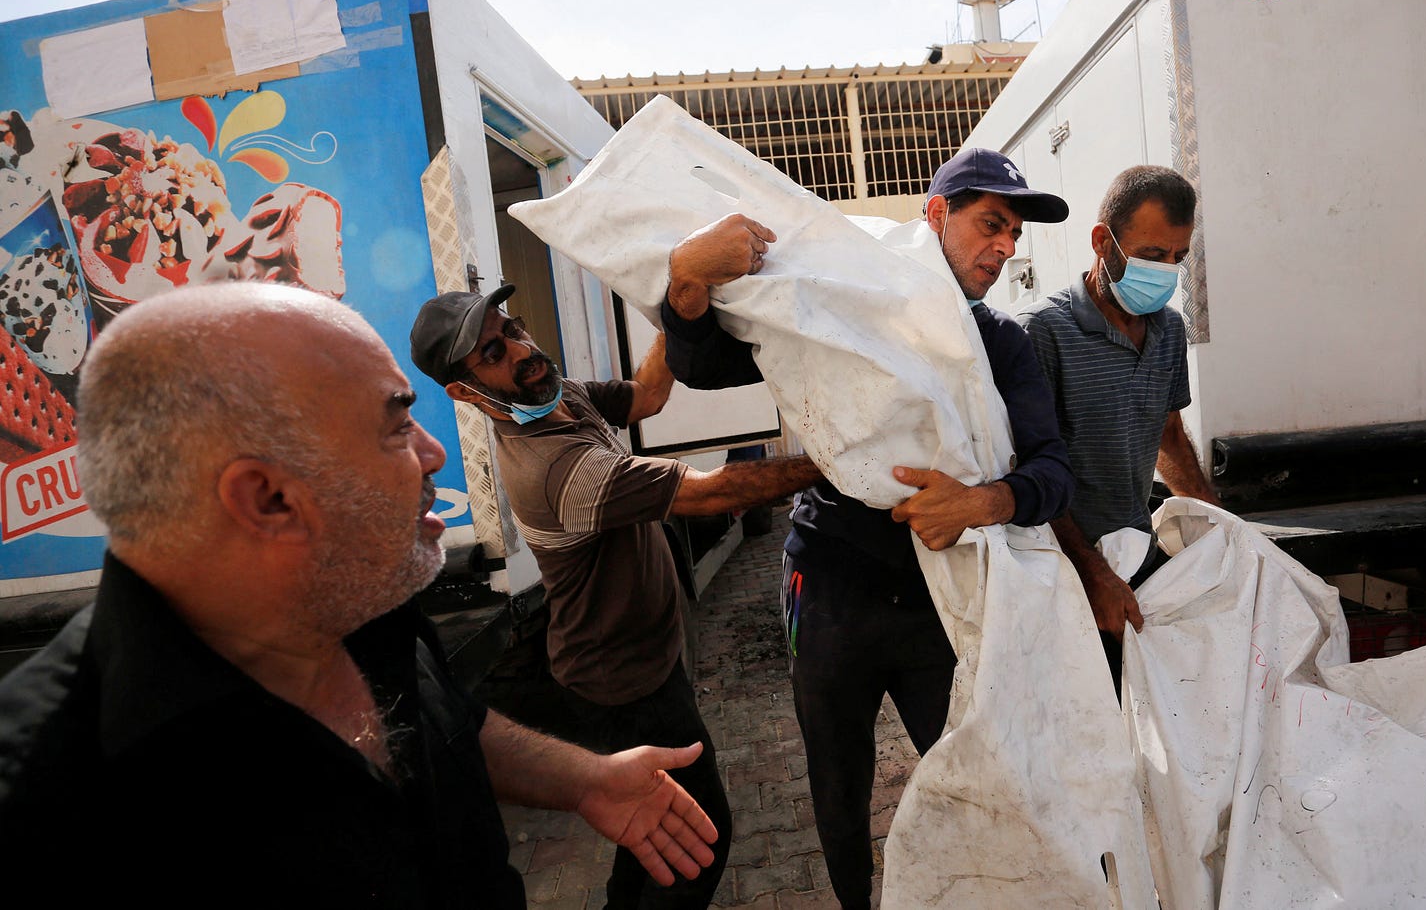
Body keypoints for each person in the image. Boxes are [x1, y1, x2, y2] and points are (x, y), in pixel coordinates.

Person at [0, 282, 720, 908]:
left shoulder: (365, 603)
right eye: (396, 425)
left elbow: (445, 722)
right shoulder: (52, 802)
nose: (434, 454)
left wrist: (588, 780)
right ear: (269, 499)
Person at [659, 148, 1076, 910]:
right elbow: (710, 364)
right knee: (838, 786)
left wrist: (978, 503)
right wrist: (687, 282)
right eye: (991, 224)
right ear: (935, 215)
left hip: (936, 603)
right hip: (829, 590)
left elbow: (1052, 470)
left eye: (1015, 233)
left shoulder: (1002, 344)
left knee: (971, 776)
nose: (1006, 247)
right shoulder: (844, 310)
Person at [409, 285, 824, 909]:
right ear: (466, 392)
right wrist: (833, 464)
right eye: (494, 351)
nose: (522, 348)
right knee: (696, 847)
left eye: (513, 327)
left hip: (644, 663)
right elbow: (709, 493)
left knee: (649, 840)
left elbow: (648, 395)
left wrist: (677, 306)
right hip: (623, 685)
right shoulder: (552, 469)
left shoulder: (557, 394)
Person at [1016, 165, 1221, 676]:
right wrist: (1094, 575)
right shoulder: (1042, 333)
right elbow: (1026, 471)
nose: (1166, 271)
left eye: (1178, 257)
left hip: (1134, 557)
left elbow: (1168, 436)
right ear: (1103, 242)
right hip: (1062, 570)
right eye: (1152, 255)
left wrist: (1218, 528)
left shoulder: (1168, 330)